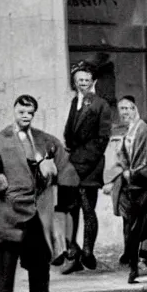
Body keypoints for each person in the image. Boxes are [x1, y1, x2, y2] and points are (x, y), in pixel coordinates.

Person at [0, 94, 71, 292]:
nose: (25, 115)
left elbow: (57, 162)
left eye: (30, 112)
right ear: (14, 111)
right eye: (21, 111)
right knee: (7, 271)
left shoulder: (42, 140)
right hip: (8, 214)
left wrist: (50, 171)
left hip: (33, 214)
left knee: (41, 265)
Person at [58, 62, 111, 273]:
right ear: (75, 82)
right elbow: (69, 132)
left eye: (87, 81)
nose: (83, 84)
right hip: (74, 165)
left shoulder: (101, 105)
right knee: (72, 210)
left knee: (88, 208)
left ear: (93, 82)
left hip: (90, 166)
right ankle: (74, 254)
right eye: (79, 81)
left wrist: (79, 164)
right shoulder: (75, 102)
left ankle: (88, 252)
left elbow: (102, 140)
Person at [107, 95, 147, 283]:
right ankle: (132, 257)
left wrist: (133, 172)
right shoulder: (127, 131)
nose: (125, 112)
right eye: (121, 109)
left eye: (128, 108)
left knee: (138, 222)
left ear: (135, 109)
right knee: (129, 220)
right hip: (131, 183)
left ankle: (136, 263)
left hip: (144, 182)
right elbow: (123, 156)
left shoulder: (145, 129)